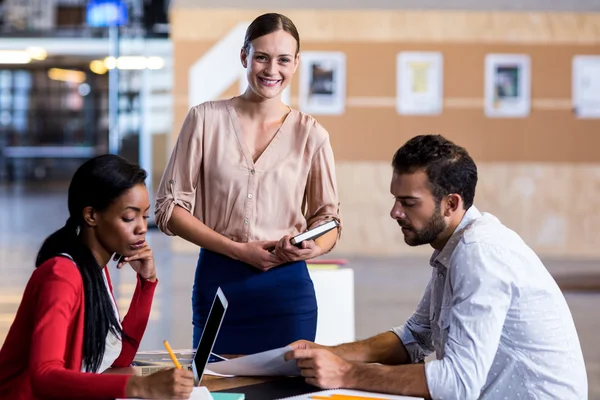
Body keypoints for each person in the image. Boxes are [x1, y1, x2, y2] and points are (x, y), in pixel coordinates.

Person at [285, 135, 588, 399]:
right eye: (395, 199)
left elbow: (458, 384)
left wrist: (346, 373)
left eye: (409, 202)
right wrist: (326, 354)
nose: (395, 212)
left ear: (451, 204)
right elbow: (416, 336)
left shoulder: (479, 254)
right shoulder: (456, 247)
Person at [154, 12, 341, 355]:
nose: (272, 70)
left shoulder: (311, 134)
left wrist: (312, 247)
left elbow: (328, 221)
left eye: (284, 59)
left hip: (287, 291)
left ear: (296, 63)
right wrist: (238, 250)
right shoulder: (204, 119)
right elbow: (168, 209)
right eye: (262, 57)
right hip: (219, 283)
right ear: (244, 56)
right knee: (214, 384)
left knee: (287, 391)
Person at [0, 155, 194, 400]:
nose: (142, 228)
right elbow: (44, 375)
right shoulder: (61, 276)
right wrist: (141, 387)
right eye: (128, 218)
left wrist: (147, 283)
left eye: (144, 216)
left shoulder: (96, 269)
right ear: (91, 215)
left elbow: (118, 358)